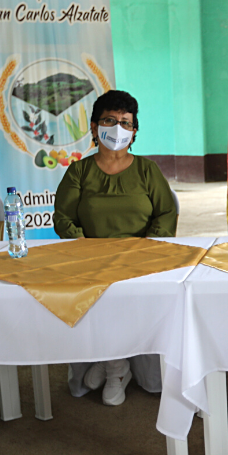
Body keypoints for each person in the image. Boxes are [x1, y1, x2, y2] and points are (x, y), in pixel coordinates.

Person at [53, 90, 178, 406]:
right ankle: (115, 367)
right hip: (90, 263)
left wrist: (147, 249)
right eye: (110, 120)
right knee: (96, 306)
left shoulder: (147, 170)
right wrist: (85, 249)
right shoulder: (79, 172)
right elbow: (63, 217)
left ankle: (116, 363)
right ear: (94, 127)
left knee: (153, 381)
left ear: (134, 131)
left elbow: (166, 212)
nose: (118, 128)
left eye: (126, 122)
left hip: (141, 261)